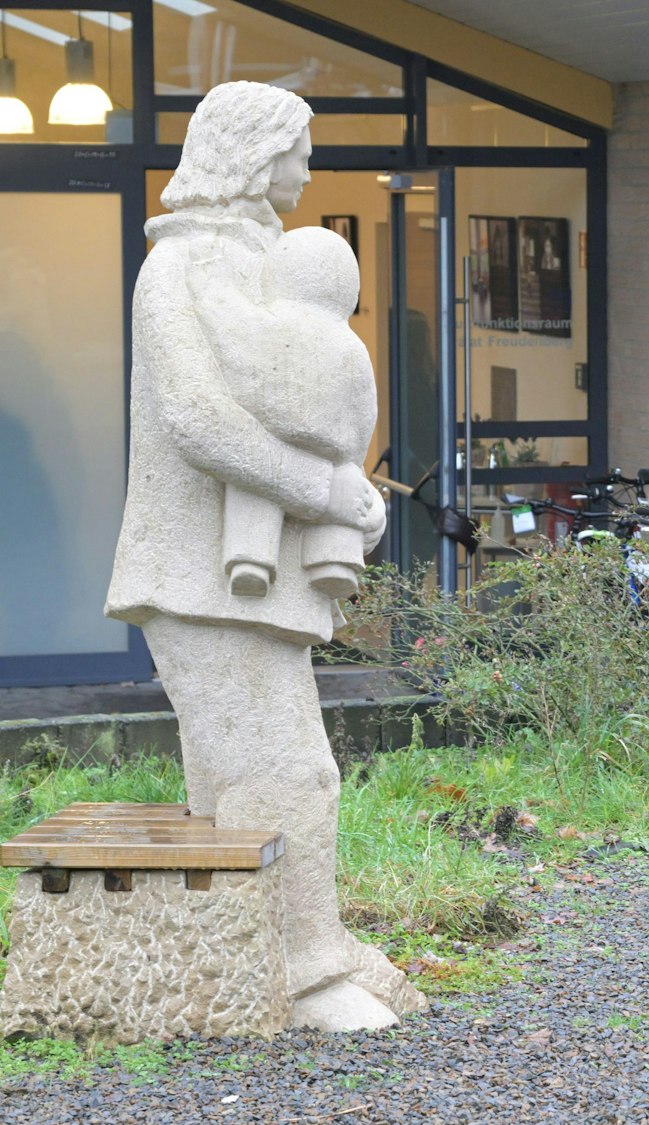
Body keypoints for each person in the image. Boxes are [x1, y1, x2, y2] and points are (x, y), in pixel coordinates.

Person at [105, 81, 420, 1031]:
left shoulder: (250, 268)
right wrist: (329, 490)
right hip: (198, 571)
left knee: (238, 778)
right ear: (253, 154)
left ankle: (267, 955)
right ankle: (307, 968)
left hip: (241, 574)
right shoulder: (184, 268)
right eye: (299, 148)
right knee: (288, 769)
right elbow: (201, 420)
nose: (310, 167)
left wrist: (339, 491)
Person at [207, 224, 378, 600]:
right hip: (333, 453)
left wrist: (207, 281)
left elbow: (227, 335)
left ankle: (250, 560)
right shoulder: (352, 347)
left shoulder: (265, 324)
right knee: (345, 487)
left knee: (252, 485)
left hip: (274, 436)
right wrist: (354, 461)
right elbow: (365, 411)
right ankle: (334, 561)